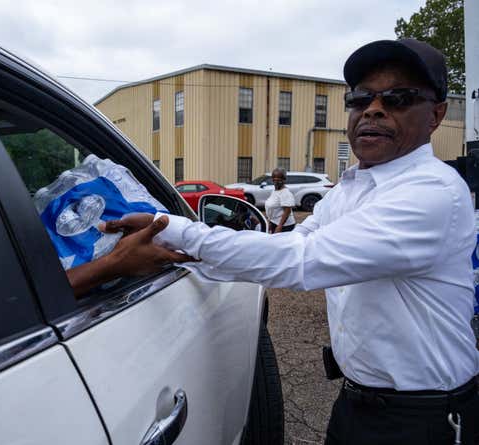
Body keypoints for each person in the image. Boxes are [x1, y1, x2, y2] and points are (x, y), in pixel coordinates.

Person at [102, 39, 479, 444]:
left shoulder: (433, 193)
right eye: (360, 98)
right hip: (357, 404)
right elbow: (296, 241)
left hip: (424, 418)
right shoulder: (352, 187)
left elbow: (300, 260)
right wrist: (175, 254)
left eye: (399, 98)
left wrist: (170, 227)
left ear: (436, 115)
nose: (372, 109)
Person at [264, 168, 296, 233]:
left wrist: (279, 226)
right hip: (274, 222)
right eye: (274, 179)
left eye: (279, 179)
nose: (276, 181)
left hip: (284, 226)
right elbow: (273, 208)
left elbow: (287, 212)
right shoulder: (275, 191)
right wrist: (270, 221)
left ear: (284, 179)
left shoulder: (285, 193)